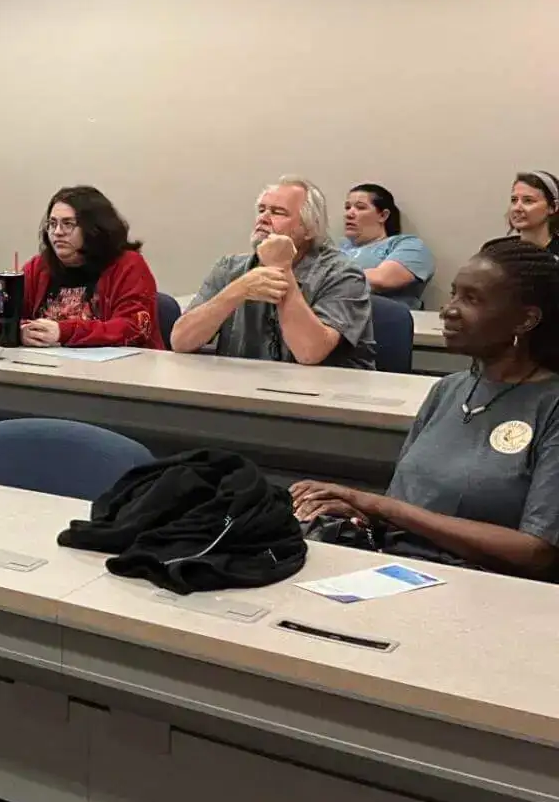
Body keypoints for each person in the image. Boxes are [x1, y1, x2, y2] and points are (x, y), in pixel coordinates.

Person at [291, 239, 559, 579]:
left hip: (485, 588)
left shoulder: (550, 406)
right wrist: (357, 509)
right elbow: (405, 503)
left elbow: (537, 552)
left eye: (472, 299)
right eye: (453, 294)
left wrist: (381, 506)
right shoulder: (448, 389)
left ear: (525, 320)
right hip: (400, 567)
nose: (449, 309)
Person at [171, 176, 375, 369]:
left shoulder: (343, 274)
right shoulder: (229, 267)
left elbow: (309, 352)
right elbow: (180, 341)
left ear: (310, 229)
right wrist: (238, 290)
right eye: (261, 210)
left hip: (322, 396)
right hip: (242, 389)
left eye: (278, 212)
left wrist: (281, 269)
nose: (264, 219)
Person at [0, 186, 161, 348]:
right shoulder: (39, 267)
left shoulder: (128, 266)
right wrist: (19, 331)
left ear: (94, 229)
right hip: (48, 368)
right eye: (52, 224)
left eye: (68, 224)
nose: (57, 232)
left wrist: (64, 332)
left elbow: (133, 328)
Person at [338, 183, 434, 309]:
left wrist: (324, 279)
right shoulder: (335, 248)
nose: (349, 214)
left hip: (378, 320)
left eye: (360, 208)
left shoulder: (408, 245)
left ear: (383, 215)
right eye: (347, 207)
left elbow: (382, 279)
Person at [501, 171, 559, 257]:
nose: (517, 208)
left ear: (553, 207)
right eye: (514, 200)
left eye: (528, 201)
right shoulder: (497, 253)